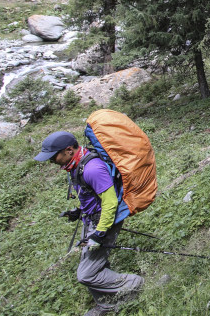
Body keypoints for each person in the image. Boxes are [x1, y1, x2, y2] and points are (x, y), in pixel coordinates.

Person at [34, 132, 144, 316]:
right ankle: (106, 304)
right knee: (93, 263)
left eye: (54, 156)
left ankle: (136, 285)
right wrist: (79, 211)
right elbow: (91, 194)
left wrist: (100, 233)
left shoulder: (92, 168)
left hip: (103, 222)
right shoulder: (76, 165)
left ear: (69, 150)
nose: (51, 161)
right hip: (92, 219)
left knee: (86, 274)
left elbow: (110, 203)